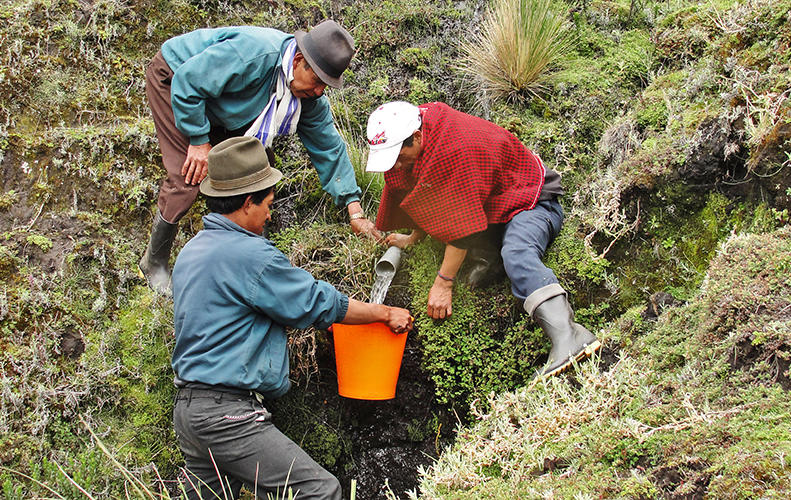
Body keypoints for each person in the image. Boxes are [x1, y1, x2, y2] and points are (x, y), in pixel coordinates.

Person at [171, 136, 414, 499]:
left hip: (190, 413)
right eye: (267, 205)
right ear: (248, 202)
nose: (270, 215)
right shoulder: (250, 255)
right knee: (320, 491)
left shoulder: (192, 251)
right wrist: (383, 312)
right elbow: (317, 302)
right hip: (226, 415)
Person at [141, 20, 382, 296]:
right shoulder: (254, 55)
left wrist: (355, 209)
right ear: (299, 60)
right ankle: (153, 262)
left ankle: (251, 259)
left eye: (325, 86)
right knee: (189, 176)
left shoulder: (308, 99)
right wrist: (198, 140)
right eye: (317, 81)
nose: (318, 91)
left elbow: (329, 147)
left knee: (255, 170)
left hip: (222, 104)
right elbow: (189, 81)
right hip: (177, 81)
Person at [364, 101, 600, 381]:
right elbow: (419, 192)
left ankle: (570, 335)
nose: (396, 165)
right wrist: (414, 237)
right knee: (484, 246)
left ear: (416, 136)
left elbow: (462, 226)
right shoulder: (412, 134)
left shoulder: (456, 149)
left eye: (398, 156)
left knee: (517, 253)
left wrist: (443, 282)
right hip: (491, 207)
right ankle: (491, 258)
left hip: (528, 200)